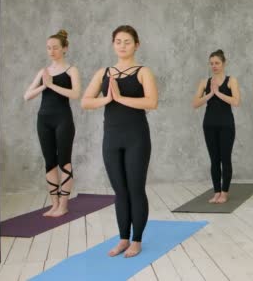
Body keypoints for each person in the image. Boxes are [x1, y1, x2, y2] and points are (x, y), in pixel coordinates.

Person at [81, 25, 158, 257]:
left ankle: (137, 240)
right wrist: (107, 99)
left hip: (137, 138)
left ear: (137, 44)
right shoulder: (103, 73)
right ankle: (123, 238)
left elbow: (151, 102)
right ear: (113, 44)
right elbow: (85, 101)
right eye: (118, 41)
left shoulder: (143, 71)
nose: (122, 45)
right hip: (111, 139)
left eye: (127, 41)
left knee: (135, 189)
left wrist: (121, 97)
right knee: (120, 191)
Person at [24, 29, 80, 217]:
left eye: (55, 48)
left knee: (64, 161)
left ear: (65, 48)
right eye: (48, 48)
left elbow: (75, 94)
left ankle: (64, 205)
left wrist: (52, 85)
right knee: (49, 162)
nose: (51, 51)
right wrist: (43, 85)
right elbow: (27, 96)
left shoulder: (71, 70)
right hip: (44, 120)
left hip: (63, 119)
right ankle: (54, 204)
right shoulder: (43, 72)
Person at [192, 49, 241, 204]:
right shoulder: (204, 82)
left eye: (217, 63)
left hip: (226, 125)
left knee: (225, 159)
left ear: (223, 63)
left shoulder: (231, 80)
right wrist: (210, 94)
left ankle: (224, 193)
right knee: (214, 160)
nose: (214, 66)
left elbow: (236, 101)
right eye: (212, 63)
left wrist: (219, 93)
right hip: (209, 125)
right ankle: (216, 192)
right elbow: (195, 103)